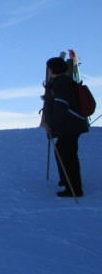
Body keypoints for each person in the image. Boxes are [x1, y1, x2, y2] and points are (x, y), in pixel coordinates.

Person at [42, 56, 88, 197]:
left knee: (67, 155)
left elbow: (61, 107)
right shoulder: (63, 82)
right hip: (71, 125)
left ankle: (73, 188)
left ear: (52, 69)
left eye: (49, 68)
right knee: (64, 153)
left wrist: (52, 124)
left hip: (69, 125)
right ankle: (67, 181)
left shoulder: (61, 84)